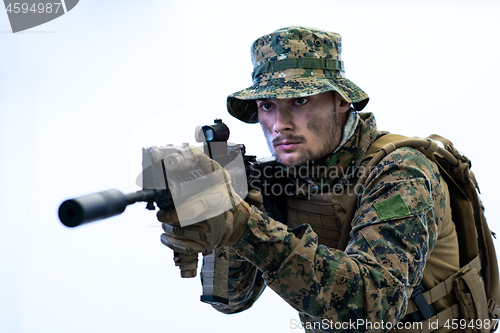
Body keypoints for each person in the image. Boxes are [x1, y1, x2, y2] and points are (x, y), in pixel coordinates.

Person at [158, 26, 462, 332]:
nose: (280, 125)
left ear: (341, 100)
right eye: (267, 106)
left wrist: (244, 226)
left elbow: (373, 308)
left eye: (299, 101)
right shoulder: (282, 178)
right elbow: (233, 300)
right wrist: (223, 222)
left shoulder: (401, 174)